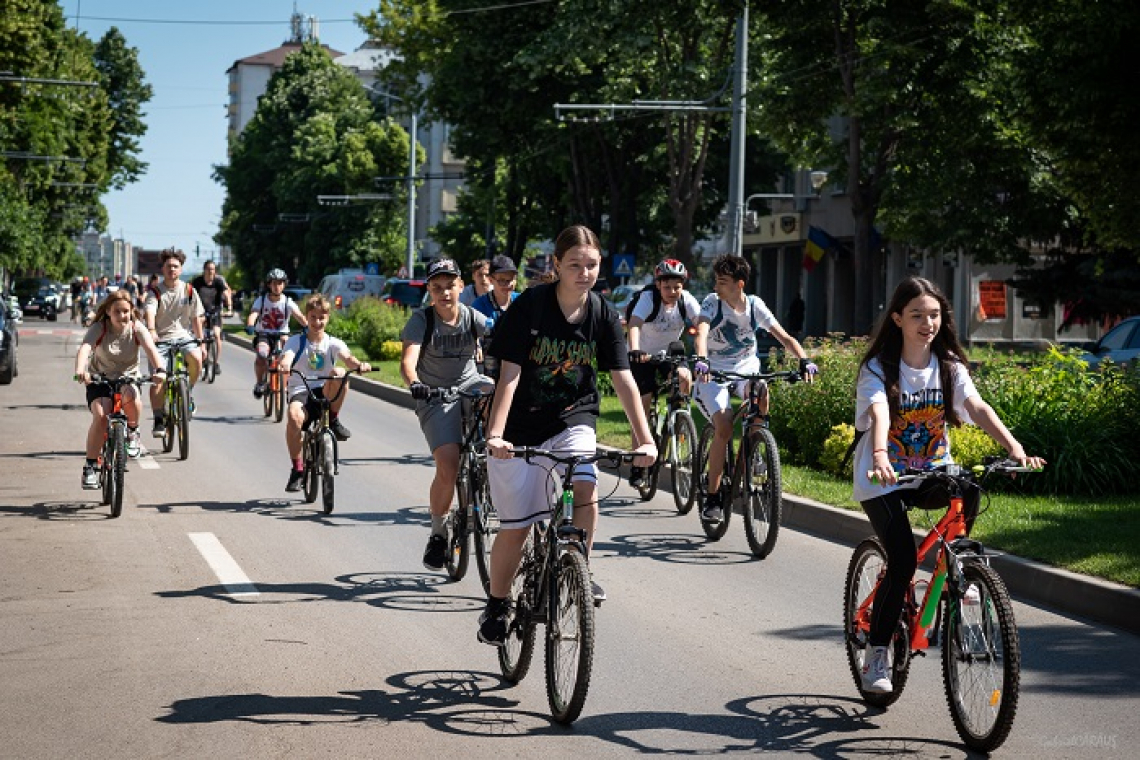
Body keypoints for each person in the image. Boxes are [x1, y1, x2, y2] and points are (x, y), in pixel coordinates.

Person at [852, 276, 1044, 694]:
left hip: (932, 471)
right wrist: (882, 456)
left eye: (935, 314)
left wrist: (1014, 447)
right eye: (918, 315)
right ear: (898, 318)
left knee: (970, 488)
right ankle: (877, 654)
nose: (928, 323)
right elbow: (880, 411)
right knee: (902, 561)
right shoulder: (879, 366)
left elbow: (976, 406)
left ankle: (958, 571)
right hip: (884, 477)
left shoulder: (949, 365)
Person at [478, 224, 657, 646]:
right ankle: (498, 604)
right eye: (574, 264)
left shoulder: (602, 313)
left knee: (585, 484)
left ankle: (578, 570)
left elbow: (623, 379)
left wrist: (644, 439)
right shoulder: (531, 306)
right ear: (557, 265)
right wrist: (497, 434)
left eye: (591, 264)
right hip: (521, 426)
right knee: (517, 526)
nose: (584, 272)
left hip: (573, 417)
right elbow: (510, 374)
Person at [692, 254, 817, 524]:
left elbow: (783, 336)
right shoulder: (713, 303)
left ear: (739, 284)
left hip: (745, 369)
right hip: (713, 372)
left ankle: (756, 450)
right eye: (716, 281)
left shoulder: (754, 305)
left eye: (722, 282)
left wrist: (804, 359)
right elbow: (701, 331)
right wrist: (701, 360)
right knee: (724, 426)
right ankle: (713, 498)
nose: (716, 287)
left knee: (761, 389)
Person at [400, 258, 494, 570]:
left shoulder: (471, 316)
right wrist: (415, 384)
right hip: (435, 394)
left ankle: (491, 464)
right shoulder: (422, 320)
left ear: (459, 287)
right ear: (429, 290)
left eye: (450, 286)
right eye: (437, 287)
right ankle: (439, 533)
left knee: (498, 394)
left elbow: (500, 334)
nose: (445, 293)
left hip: (470, 385)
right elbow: (408, 360)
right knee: (449, 465)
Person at [75, 290, 168, 487]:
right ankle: (90, 467)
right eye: (117, 311)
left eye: (126, 311)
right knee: (101, 416)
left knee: (132, 397)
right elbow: (85, 348)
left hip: (127, 378)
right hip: (100, 379)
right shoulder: (100, 327)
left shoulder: (136, 328)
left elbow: (151, 349)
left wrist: (160, 370)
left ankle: (132, 432)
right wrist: (81, 370)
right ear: (109, 311)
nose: (122, 315)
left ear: (131, 311)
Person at [279, 294, 371, 492]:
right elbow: (287, 356)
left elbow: (348, 358)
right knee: (294, 418)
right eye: (313, 317)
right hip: (301, 390)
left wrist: (359, 365)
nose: (317, 322)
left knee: (339, 373)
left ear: (328, 318)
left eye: (321, 317)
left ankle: (334, 420)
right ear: (307, 317)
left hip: (325, 390)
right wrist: (285, 364)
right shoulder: (296, 341)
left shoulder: (333, 343)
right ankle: (297, 469)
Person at [625, 258, 701, 487]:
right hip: (644, 356)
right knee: (643, 405)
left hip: (670, 353)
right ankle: (639, 466)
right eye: (667, 287)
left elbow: (702, 326)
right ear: (658, 285)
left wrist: (703, 351)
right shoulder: (648, 299)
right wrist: (636, 350)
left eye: (677, 287)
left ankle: (680, 418)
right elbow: (635, 324)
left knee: (684, 377)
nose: (672, 291)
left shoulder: (686, 300)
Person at [145, 249, 205, 436]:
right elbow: (149, 312)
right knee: (159, 379)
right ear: (163, 269)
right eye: (169, 266)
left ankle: (188, 393)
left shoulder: (188, 290)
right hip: (161, 339)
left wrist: (201, 341)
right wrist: (152, 330)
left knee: (196, 358)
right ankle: (158, 419)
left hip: (183, 336)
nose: (172, 269)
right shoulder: (155, 292)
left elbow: (195, 317)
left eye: (176, 266)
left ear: (181, 269)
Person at [245, 268, 307, 399]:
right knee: (262, 354)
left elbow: (300, 316)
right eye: (274, 283)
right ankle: (260, 382)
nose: (277, 286)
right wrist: (250, 325)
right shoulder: (261, 300)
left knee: (288, 352)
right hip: (264, 334)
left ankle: (287, 384)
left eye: (280, 283)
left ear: (284, 284)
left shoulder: (287, 302)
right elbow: (254, 314)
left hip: (282, 334)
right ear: (269, 284)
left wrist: (308, 327)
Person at [470, 254, 519, 379]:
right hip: (490, 365)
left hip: (516, 362)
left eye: (510, 279)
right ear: (491, 280)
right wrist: (476, 344)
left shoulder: (521, 301)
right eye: (502, 280)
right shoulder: (480, 304)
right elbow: (471, 332)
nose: (507, 284)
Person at [191, 260, 233, 374]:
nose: (211, 271)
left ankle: (216, 363)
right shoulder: (198, 282)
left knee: (216, 334)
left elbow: (226, 294)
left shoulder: (218, 281)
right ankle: (202, 350)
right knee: (198, 330)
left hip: (215, 311)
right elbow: (190, 295)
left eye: (213, 269)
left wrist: (229, 308)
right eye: (208, 269)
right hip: (201, 311)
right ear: (204, 270)